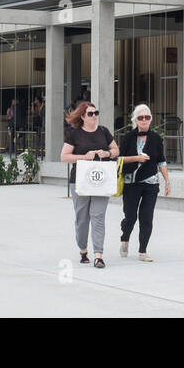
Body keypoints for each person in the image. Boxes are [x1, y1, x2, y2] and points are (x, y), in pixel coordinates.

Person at [60, 100, 118, 268]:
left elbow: (116, 150)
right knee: (82, 218)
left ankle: (98, 255)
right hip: (80, 181)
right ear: (83, 117)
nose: (94, 116)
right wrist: (84, 157)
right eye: (91, 114)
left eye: (96, 113)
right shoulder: (75, 134)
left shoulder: (103, 131)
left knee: (98, 217)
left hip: (101, 181)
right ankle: (83, 249)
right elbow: (64, 156)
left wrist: (107, 153)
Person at [118, 104, 170, 262]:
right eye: (141, 117)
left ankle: (143, 251)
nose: (144, 120)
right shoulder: (128, 138)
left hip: (151, 183)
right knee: (130, 216)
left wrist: (167, 181)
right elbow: (119, 159)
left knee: (147, 217)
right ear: (135, 120)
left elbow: (161, 161)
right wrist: (136, 158)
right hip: (131, 183)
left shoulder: (156, 138)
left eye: (147, 117)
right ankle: (125, 238)